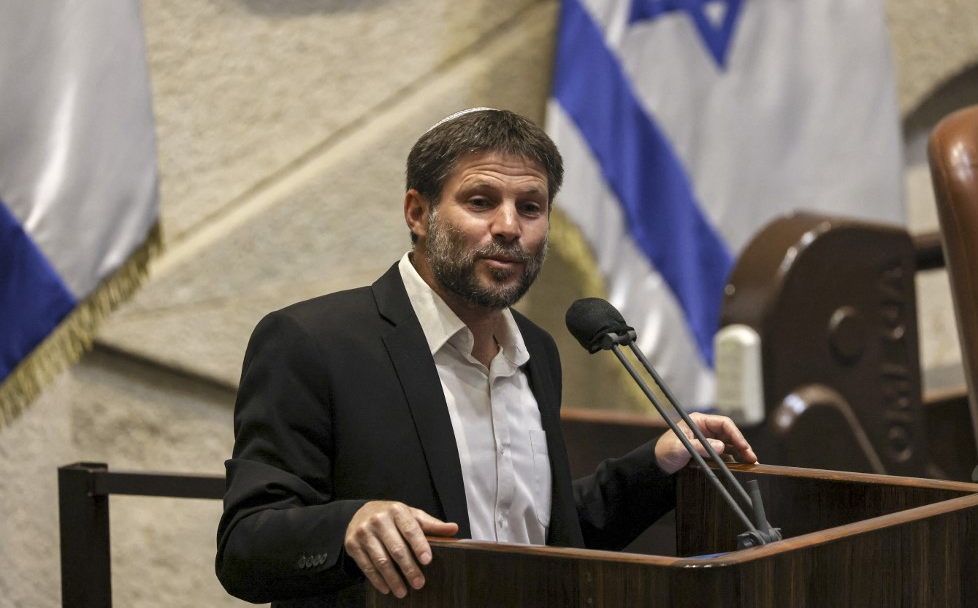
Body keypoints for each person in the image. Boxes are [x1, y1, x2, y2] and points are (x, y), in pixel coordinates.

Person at [215, 108, 757, 607]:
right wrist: (349, 525)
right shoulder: (312, 342)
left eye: (530, 207)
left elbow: (537, 537)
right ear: (417, 212)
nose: (508, 227)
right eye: (480, 202)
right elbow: (246, 547)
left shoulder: (536, 352)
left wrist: (656, 465)